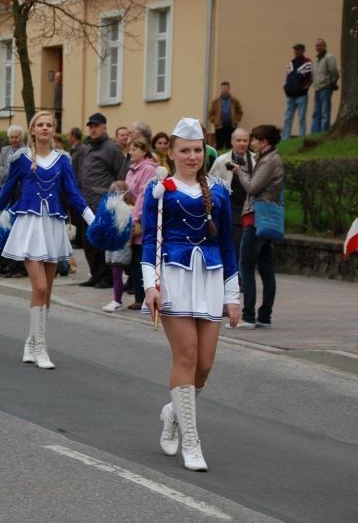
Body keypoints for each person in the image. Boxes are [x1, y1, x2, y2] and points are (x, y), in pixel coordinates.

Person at [143, 117, 239, 472]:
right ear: (172, 151)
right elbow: (150, 242)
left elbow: (228, 245)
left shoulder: (220, 191)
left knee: (205, 365)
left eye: (198, 150)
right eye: (185, 150)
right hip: (174, 278)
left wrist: (233, 295)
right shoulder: (161, 190)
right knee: (186, 356)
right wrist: (150, 285)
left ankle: (173, 412)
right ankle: (192, 443)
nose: (192, 156)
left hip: (211, 280)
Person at [0, 110, 94, 368]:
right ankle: (42, 348)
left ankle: (32, 340)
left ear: (53, 130)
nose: (45, 128)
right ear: (32, 130)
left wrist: (92, 218)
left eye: (49, 125)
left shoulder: (62, 160)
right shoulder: (21, 159)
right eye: (40, 125)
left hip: (53, 226)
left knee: (47, 292)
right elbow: (7, 191)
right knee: (40, 287)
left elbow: (73, 193)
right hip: (29, 226)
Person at [234, 125, 284, 329]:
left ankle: (249, 316)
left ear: (264, 142)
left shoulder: (270, 161)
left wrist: (239, 171)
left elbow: (253, 187)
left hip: (257, 218)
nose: (251, 142)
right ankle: (264, 316)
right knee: (265, 268)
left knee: (245, 266)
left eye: (254, 139)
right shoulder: (268, 159)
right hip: (262, 218)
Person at [80, 112, 125, 288]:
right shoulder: (88, 147)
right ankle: (95, 275)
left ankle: (105, 277)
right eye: (90, 126)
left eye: (96, 126)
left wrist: (114, 198)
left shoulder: (111, 148)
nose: (93, 129)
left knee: (101, 242)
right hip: (86, 202)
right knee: (88, 242)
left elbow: (120, 174)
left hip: (102, 202)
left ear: (104, 127)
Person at [124, 136, 158, 310]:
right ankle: (138, 294)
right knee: (134, 258)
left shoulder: (148, 169)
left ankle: (143, 297)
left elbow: (145, 195)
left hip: (142, 219)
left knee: (141, 257)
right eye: (130, 149)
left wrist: (135, 217)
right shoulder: (132, 169)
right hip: (131, 214)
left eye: (134, 149)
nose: (131, 152)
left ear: (144, 151)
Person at [209, 128, 254, 262]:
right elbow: (212, 184)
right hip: (230, 206)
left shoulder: (256, 160)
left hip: (249, 207)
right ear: (232, 142)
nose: (242, 143)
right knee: (234, 240)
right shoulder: (221, 161)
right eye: (238, 140)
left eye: (245, 140)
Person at [102, 181, 132, 313]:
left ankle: (117, 300)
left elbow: (126, 229)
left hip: (122, 245)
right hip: (112, 245)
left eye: (117, 192)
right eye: (112, 192)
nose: (114, 195)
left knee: (117, 272)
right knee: (115, 272)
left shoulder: (127, 209)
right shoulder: (110, 209)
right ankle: (116, 299)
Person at [282, 43, 313, 140]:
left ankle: (301, 137)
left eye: (298, 49)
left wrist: (305, 88)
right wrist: (285, 87)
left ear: (303, 51)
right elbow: (287, 77)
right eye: (295, 49)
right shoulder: (291, 63)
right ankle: (285, 138)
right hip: (290, 96)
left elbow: (310, 78)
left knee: (301, 118)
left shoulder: (307, 63)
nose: (296, 51)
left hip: (301, 96)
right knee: (287, 118)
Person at [311, 39, 340, 134]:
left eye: (320, 46)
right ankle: (315, 133)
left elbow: (334, 72)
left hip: (325, 88)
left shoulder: (329, 57)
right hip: (317, 89)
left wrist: (332, 83)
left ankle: (324, 132)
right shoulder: (316, 60)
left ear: (324, 46)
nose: (318, 48)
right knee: (316, 113)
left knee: (325, 112)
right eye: (316, 46)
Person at [67, 127, 88, 249]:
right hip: (72, 186)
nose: (67, 138)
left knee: (78, 214)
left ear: (74, 136)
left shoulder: (82, 150)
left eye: (69, 135)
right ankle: (75, 239)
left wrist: (77, 186)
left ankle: (78, 240)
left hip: (77, 187)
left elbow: (81, 169)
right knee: (73, 214)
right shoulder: (74, 149)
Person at [208, 82, 243, 150]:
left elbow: (240, 111)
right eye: (223, 88)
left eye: (226, 88)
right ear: (221, 89)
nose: (224, 89)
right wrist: (214, 120)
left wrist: (236, 120)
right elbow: (211, 113)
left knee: (230, 144)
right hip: (219, 126)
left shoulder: (234, 101)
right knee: (219, 145)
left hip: (231, 126)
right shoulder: (216, 101)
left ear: (229, 88)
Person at [0, 124, 24, 198]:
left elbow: (20, 171)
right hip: (0, 185)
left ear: (21, 137)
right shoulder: (4, 149)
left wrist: (6, 173)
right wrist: (5, 174)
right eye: (11, 137)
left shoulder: (25, 151)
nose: (13, 139)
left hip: (16, 189)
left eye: (16, 137)